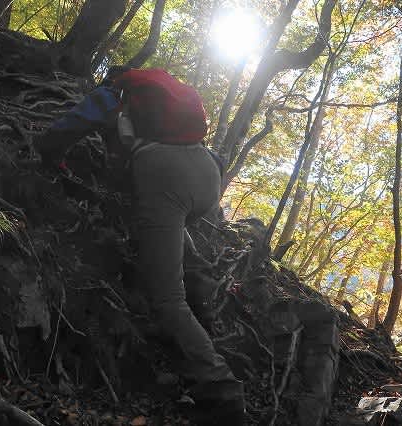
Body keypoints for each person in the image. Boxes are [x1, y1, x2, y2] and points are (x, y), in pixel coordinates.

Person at [34, 66, 245, 425]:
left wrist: (48, 154)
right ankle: (201, 302)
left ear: (112, 80)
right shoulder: (164, 99)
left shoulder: (112, 94)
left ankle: (222, 389)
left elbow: (68, 128)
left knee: (167, 298)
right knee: (169, 226)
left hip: (164, 173)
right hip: (208, 173)